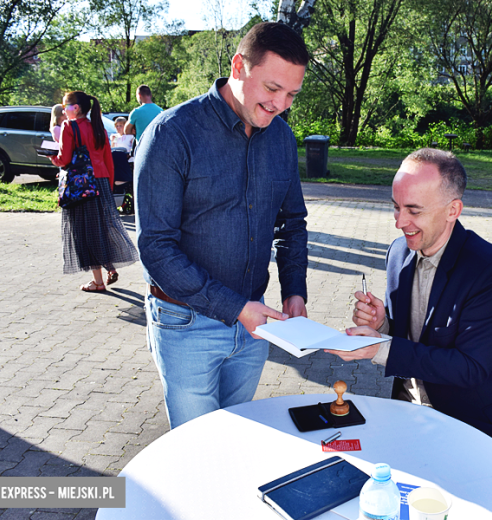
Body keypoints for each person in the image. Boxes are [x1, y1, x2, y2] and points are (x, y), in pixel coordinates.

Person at [135, 22, 310, 429]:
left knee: (235, 438)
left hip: (255, 327)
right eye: (272, 89)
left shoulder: (281, 138)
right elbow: (156, 247)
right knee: (197, 448)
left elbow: (293, 223)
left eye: (291, 95)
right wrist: (235, 308)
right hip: (186, 323)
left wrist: (295, 290)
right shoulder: (171, 134)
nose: (281, 104)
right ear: (238, 66)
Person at [325, 148, 492, 466]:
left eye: (413, 211)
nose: (399, 223)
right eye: (395, 208)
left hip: (482, 430)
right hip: (410, 419)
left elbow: (471, 368)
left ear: (453, 210)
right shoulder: (399, 252)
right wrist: (384, 324)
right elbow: (419, 335)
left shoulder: (488, 269)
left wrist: (379, 347)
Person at [51, 91, 139, 291]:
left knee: (85, 231)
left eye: (66, 106)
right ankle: (109, 267)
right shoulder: (97, 127)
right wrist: (108, 184)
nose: (64, 110)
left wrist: (53, 159)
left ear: (77, 108)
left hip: (81, 185)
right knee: (101, 227)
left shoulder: (68, 127)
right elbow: (107, 157)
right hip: (100, 181)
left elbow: (64, 159)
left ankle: (98, 282)